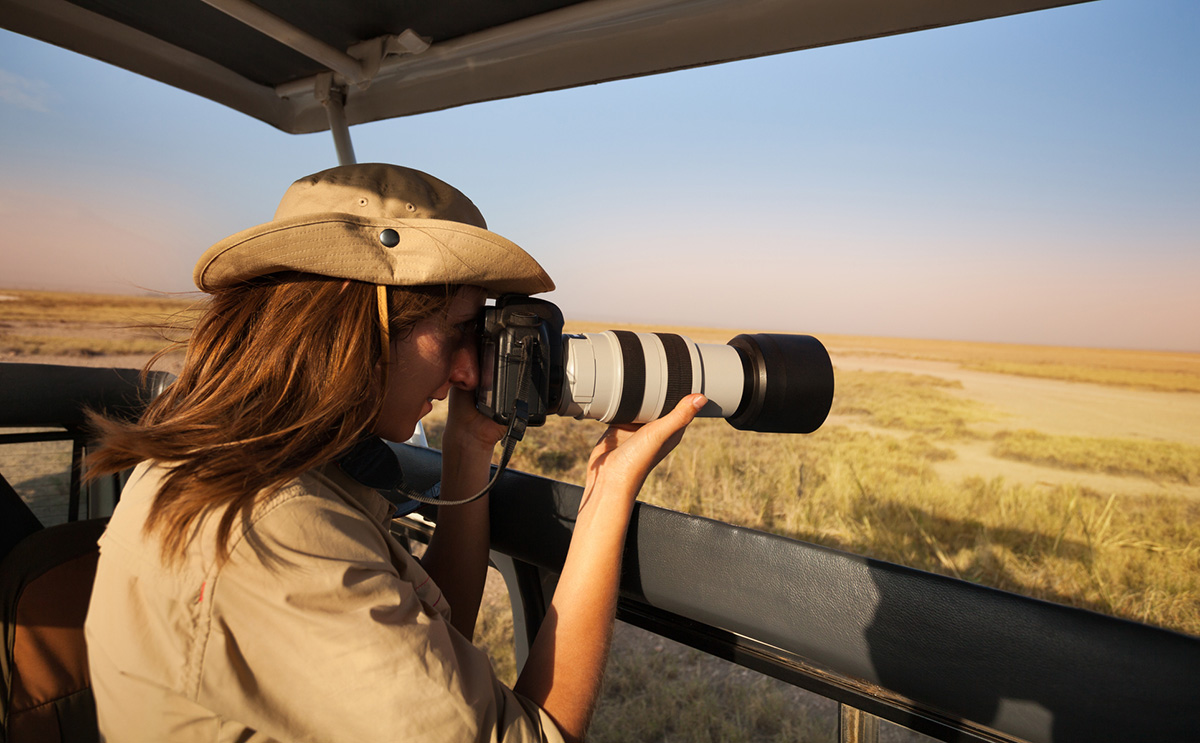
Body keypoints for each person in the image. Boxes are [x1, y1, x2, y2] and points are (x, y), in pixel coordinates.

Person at [83, 163, 704, 743]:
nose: (468, 371)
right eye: (458, 332)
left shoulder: (261, 462)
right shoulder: (270, 526)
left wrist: (466, 446)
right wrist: (608, 489)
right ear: (362, 323)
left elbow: (432, 633)